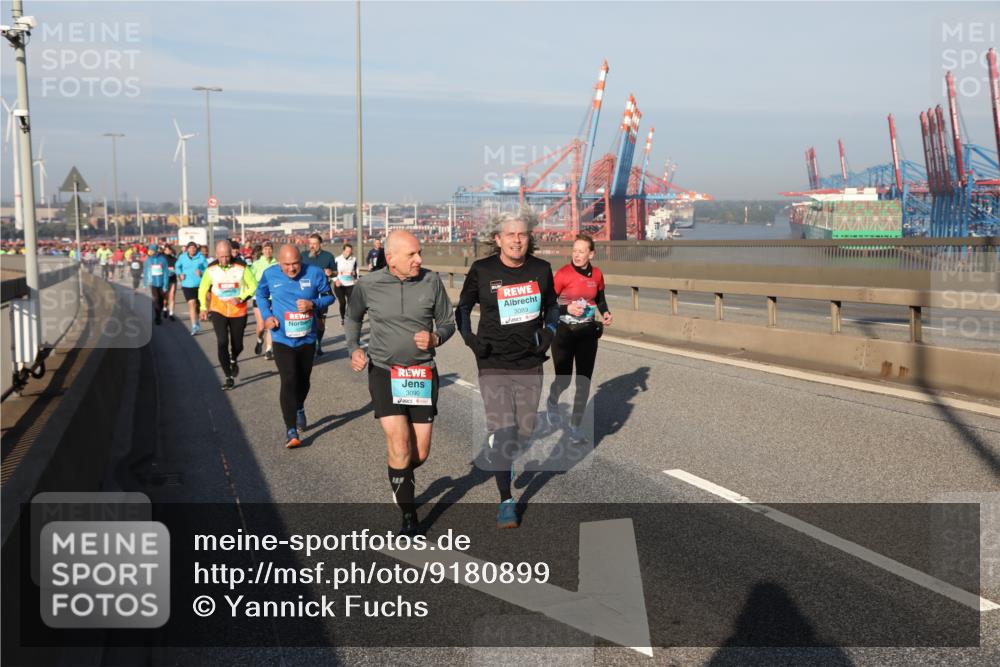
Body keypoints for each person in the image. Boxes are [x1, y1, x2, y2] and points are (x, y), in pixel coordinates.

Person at [345, 230, 455, 536]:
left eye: (420, 253)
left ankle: (399, 475)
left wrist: (436, 337)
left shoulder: (431, 281)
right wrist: (354, 348)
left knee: (419, 453)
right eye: (412, 254)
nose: (419, 259)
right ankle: (409, 516)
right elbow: (352, 317)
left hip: (421, 373)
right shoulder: (368, 284)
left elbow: (448, 322)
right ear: (390, 258)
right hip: (385, 372)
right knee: (399, 443)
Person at [455, 212, 558, 529]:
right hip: (493, 361)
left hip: (529, 361)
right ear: (498, 239)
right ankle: (506, 501)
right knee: (504, 432)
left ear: (529, 239)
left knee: (523, 432)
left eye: (522, 234)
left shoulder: (541, 270)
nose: (516, 240)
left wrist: (550, 331)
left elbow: (553, 306)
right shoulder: (482, 270)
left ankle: (503, 444)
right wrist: (470, 339)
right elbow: (463, 307)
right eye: (510, 234)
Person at [256, 245, 334, 448]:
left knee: (303, 380)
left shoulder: (315, 273)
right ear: (279, 263)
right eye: (287, 265)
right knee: (289, 379)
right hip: (281, 337)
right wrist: (267, 316)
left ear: (302, 260)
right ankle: (291, 429)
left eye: (296, 264)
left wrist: (313, 304)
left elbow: (329, 297)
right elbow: (261, 295)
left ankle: (299, 406)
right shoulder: (270, 274)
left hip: (307, 338)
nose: (291, 269)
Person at [544, 234, 613, 443]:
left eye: (581, 251)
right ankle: (552, 401)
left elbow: (600, 298)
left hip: (587, 333)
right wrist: (567, 308)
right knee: (564, 380)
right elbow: (548, 304)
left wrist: (606, 312)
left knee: (583, 381)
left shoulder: (597, 274)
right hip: (564, 333)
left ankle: (575, 427)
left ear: (591, 254)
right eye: (574, 250)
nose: (576, 255)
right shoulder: (563, 274)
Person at [198, 239, 258, 390]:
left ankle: (234, 358)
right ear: (216, 255)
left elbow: (253, 286)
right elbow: (203, 288)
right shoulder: (211, 268)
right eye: (221, 256)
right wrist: (203, 308)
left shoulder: (241, 266)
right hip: (218, 310)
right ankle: (228, 376)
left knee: (238, 345)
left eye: (227, 256)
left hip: (238, 310)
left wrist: (241, 298)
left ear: (231, 253)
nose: (224, 259)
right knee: (222, 342)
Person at [302, 233, 337, 357]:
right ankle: (306, 345)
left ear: (320, 244)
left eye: (315, 244)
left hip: (322, 293)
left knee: (320, 323)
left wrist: (331, 273)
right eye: (310, 243)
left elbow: (336, 272)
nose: (312, 246)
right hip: (305, 293)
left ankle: (318, 343)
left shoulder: (328, 256)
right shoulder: (303, 256)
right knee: (305, 320)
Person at [251, 241, 279, 360]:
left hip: (273, 298)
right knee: (262, 326)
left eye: (270, 249)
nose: (268, 251)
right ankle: (259, 339)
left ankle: (268, 349)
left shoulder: (277, 264)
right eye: (265, 249)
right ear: (262, 251)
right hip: (259, 297)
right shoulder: (256, 264)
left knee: (270, 323)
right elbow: (250, 280)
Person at [176, 242, 208, 335]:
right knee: (191, 303)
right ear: (187, 249)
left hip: (199, 284)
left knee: (197, 305)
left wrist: (201, 272)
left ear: (196, 249)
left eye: (194, 248)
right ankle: (194, 326)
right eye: (190, 248)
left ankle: (197, 320)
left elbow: (207, 269)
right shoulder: (182, 257)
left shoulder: (201, 257)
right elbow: (177, 266)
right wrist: (180, 273)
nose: (192, 250)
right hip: (187, 284)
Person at [143, 245, 170, 325]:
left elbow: (166, 272)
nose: (149, 252)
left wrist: (165, 284)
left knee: (161, 300)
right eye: (149, 250)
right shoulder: (148, 260)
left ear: (155, 250)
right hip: (153, 283)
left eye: (151, 250)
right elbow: (146, 272)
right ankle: (157, 317)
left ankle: (161, 311)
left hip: (161, 283)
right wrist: (145, 283)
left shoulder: (162, 259)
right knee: (156, 299)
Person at [333, 243, 359, 326]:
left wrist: (356, 279)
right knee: (343, 302)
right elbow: (333, 271)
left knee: (351, 303)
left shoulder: (354, 259)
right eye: (347, 251)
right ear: (343, 251)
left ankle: (349, 317)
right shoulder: (337, 259)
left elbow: (356, 270)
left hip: (350, 284)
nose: (348, 253)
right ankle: (343, 318)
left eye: (350, 252)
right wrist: (336, 280)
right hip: (339, 285)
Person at [162, 244, 178, 321]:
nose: (168, 251)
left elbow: (178, 268)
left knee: (172, 296)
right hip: (164, 280)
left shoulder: (174, 259)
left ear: (171, 250)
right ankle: (165, 308)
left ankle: (171, 313)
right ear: (164, 250)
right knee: (165, 296)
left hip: (173, 279)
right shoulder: (161, 259)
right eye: (166, 250)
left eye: (169, 249)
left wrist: (175, 270)